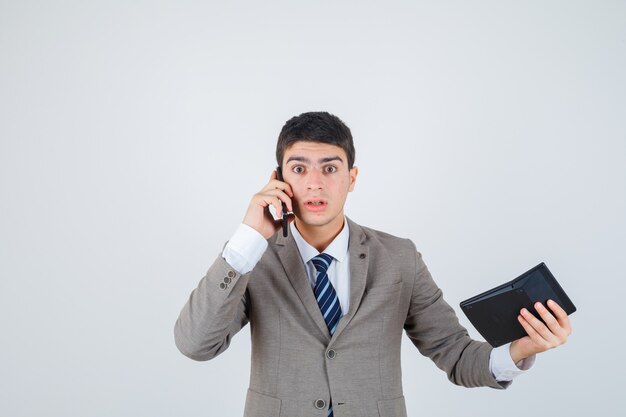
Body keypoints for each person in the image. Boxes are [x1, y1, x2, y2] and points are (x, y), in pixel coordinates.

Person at [174, 111, 572, 417]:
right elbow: (195, 344)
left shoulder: (399, 257)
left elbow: (455, 354)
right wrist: (247, 238)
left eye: (330, 168)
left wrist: (522, 348)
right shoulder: (251, 258)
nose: (315, 183)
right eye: (299, 169)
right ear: (278, 178)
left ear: (352, 177)